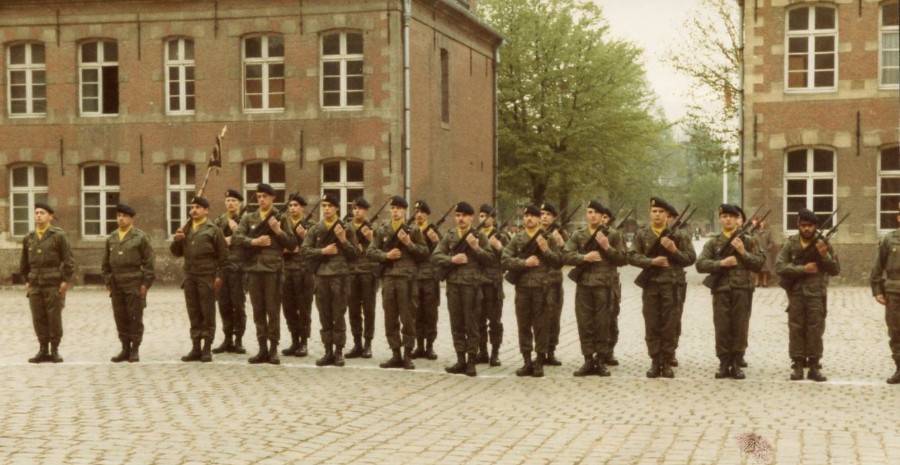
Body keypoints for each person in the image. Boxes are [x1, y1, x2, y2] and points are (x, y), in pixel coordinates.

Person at [628, 197, 696, 379]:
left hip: (672, 285)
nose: (657, 215)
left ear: (667, 215)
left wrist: (674, 250)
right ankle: (654, 360)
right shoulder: (642, 234)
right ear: (650, 213)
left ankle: (666, 362)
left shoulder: (680, 235)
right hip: (651, 286)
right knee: (651, 324)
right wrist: (651, 261)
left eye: (661, 212)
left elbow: (690, 259)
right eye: (654, 211)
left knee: (669, 324)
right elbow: (632, 256)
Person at [695, 204, 765, 379]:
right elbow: (700, 264)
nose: (728, 219)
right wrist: (720, 264)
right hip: (721, 290)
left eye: (731, 217)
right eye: (724, 216)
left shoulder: (749, 240)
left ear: (737, 220)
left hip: (742, 289)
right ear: (720, 220)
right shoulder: (713, 242)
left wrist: (743, 252)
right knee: (722, 327)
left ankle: (736, 361)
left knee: (740, 326)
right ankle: (724, 362)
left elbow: (759, 263)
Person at [563, 200, 627, 377]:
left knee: (602, 323)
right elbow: (565, 255)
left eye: (596, 213)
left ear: (602, 216)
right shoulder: (579, 234)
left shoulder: (613, 235)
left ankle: (600, 360)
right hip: (584, 285)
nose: (592, 215)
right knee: (584, 323)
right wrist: (584, 258)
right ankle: (588, 360)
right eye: (589, 212)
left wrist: (607, 247)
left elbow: (623, 259)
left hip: (603, 285)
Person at [775, 208, 840, 382]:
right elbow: (779, 266)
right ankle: (797, 365)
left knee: (815, 329)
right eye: (803, 225)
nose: (807, 229)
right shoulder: (791, 243)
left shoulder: (823, 244)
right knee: (796, 328)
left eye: (810, 226)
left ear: (816, 226)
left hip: (816, 294)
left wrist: (824, 255)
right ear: (798, 225)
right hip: (796, 293)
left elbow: (835, 270)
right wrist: (802, 269)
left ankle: (813, 366)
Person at [234, 183, 294, 365]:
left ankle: (274, 348)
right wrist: (254, 242)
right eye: (259, 196)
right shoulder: (249, 217)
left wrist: (277, 230)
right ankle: (262, 348)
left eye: (265, 196)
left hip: (272, 271)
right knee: (258, 311)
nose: (261, 199)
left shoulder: (281, 218)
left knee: (273, 310)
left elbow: (292, 243)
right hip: (253, 270)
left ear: (273, 197)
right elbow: (236, 238)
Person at [365, 196, 427, 369]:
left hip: (407, 280)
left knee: (408, 318)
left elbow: (424, 254)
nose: (395, 211)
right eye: (393, 208)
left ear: (404, 211)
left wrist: (408, 244)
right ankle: (395, 354)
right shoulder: (382, 230)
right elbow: (370, 251)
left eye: (399, 208)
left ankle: (408, 354)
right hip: (389, 279)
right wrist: (386, 256)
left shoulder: (413, 230)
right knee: (390, 318)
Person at [431, 202, 493, 377]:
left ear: (471, 217)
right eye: (458, 215)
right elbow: (435, 256)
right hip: (454, 287)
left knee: (472, 324)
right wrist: (452, 260)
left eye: (465, 215)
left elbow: (490, 260)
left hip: (472, 287)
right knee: (456, 324)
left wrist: (475, 247)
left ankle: (472, 360)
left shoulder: (479, 236)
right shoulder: (450, 236)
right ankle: (460, 359)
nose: (461, 219)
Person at [502, 204, 562, 377]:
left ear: (538, 219)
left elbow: (558, 261)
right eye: (526, 216)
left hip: (541, 290)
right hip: (522, 289)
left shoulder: (548, 238)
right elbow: (505, 259)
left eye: (533, 216)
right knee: (524, 326)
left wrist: (546, 250)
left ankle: (540, 362)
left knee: (541, 326)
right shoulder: (517, 238)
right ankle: (527, 361)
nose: (529, 218)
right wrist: (523, 263)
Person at [302, 194, 360, 367]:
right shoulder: (316, 229)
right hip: (321, 277)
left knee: (338, 314)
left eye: (330, 206)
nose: (326, 209)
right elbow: (304, 250)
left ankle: (339, 351)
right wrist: (322, 252)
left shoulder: (346, 228)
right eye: (324, 205)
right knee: (324, 315)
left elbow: (355, 254)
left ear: (337, 208)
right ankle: (328, 350)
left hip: (339, 277)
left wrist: (342, 240)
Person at [170, 197, 227, 363]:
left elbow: (223, 258)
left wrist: (219, 277)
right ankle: (195, 347)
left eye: (198, 207)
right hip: (190, 276)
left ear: (206, 210)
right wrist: (177, 240)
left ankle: (207, 347)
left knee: (207, 312)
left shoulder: (213, 230)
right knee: (193, 311)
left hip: (207, 276)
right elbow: (176, 252)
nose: (194, 210)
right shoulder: (186, 230)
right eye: (192, 207)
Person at [20, 202, 75, 364]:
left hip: (53, 283)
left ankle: (55, 350)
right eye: (36, 213)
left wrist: (65, 281)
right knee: (38, 317)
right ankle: (43, 349)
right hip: (35, 283)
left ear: (50, 216)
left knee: (54, 317)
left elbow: (68, 260)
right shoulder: (29, 237)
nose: (38, 215)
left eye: (42, 213)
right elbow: (24, 262)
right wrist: (26, 281)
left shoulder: (58, 236)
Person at [102, 204, 154, 363]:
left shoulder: (140, 237)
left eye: (124, 216)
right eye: (118, 216)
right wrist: (108, 281)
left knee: (134, 316)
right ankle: (124, 347)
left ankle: (135, 349)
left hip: (134, 282)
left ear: (131, 218)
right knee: (120, 316)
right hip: (117, 283)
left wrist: (145, 284)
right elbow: (105, 264)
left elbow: (149, 263)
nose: (120, 219)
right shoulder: (111, 238)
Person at [210, 189, 248, 354]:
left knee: (238, 305)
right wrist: (222, 241)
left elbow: (250, 241)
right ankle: (227, 339)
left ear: (240, 203)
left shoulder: (246, 220)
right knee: (224, 304)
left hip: (239, 268)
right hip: (222, 268)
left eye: (234, 200)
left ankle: (238, 339)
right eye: (228, 201)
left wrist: (236, 231)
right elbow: (210, 240)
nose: (230, 203)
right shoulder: (219, 220)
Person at [281, 194, 317, 358]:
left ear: (303, 208)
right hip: (286, 270)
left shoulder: (312, 226)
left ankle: (303, 342)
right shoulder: (283, 225)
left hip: (304, 271)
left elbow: (317, 249)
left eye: (296, 205)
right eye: (290, 205)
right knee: (288, 307)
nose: (292, 208)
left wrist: (304, 238)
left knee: (303, 308)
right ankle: (294, 340)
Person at [870, 205, 900, 384]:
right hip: (894, 292)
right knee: (896, 331)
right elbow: (877, 266)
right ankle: (899, 368)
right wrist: (877, 290)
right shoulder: (889, 239)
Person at [346, 197, 378, 359]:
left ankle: (368, 344)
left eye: (360, 208)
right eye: (354, 208)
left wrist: (371, 239)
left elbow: (382, 249)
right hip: (351, 273)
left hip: (368, 272)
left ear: (366, 211)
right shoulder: (347, 228)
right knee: (353, 309)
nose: (356, 211)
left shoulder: (373, 228)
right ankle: (357, 343)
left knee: (369, 309)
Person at [410, 200, 442, 360]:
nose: (419, 215)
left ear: (427, 214)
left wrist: (436, 241)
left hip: (429, 277)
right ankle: (419, 345)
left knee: (430, 312)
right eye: (417, 212)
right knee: (416, 312)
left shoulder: (433, 231)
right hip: (415, 276)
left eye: (422, 212)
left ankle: (429, 346)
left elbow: (443, 252)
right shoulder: (410, 230)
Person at [477, 203, 506, 366]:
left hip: (494, 283)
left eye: (486, 216)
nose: (482, 219)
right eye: (480, 216)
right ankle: (482, 351)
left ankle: (495, 353)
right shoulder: (475, 235)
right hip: (478, 282)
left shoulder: (500, 236)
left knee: (495, 320)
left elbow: (509, 258)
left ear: (493, 219)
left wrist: (499, 247)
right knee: (479, 319)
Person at [540, 202, 567, 366]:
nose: (544, 217)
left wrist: (561, 243)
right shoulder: (533, 233)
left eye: (548, 214)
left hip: (554, 281)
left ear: (554, 217)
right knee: (538, 318)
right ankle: (540, 351)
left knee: (553, 317)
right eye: (542, 214)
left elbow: (566, 258)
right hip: (538, 281)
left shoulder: (561, 233)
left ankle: (550, 350)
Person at [756, 220, 777, 288]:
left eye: (763, 223)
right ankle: (756, 282)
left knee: (765, 268)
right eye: (760, 223)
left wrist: (768, 248)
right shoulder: (755, 232)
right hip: (756, 251)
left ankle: (764, 282)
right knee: (756, 267)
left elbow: (771, 242)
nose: (762, 224)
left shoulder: (768, 232)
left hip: (765, 252)